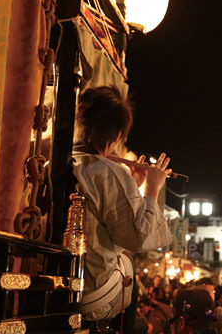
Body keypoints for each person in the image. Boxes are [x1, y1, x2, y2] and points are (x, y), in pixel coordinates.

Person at [72, 85, 173, 324]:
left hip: (63, 275)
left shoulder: (70, 157)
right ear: (117, 135)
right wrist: (152, 188)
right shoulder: (110, 171)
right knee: (130, 274)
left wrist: (134, 185)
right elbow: (138, 237)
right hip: (90, 291)